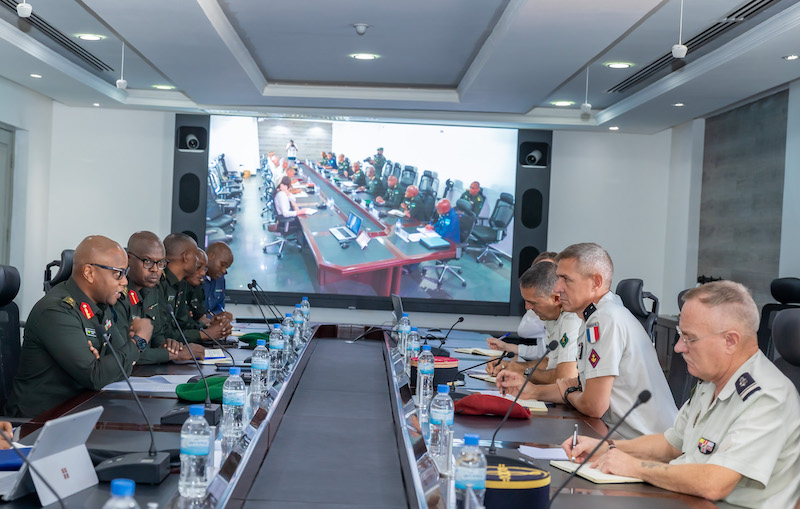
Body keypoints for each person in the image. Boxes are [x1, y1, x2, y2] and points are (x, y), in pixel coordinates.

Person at [564, 281, 800, 508]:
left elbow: (715, 483)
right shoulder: (713, 380)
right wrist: (606, 447)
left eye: (690, 338)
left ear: (730, 341)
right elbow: (672, 444)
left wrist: (634, 467)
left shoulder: (767, 397)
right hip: (685, 499)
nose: (679, 347)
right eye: (680, 335)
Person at [496, 242, 677, 438]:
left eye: (566, 279)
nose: (557, 287)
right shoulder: (592, 317)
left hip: (641, 442)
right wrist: (533, 391)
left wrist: (569, 392)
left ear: (596, 282)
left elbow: (593, 405)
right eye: (558, 278)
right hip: (619, 435)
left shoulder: (606, 319)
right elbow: (582, 386)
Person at [6, 236, 149, 417]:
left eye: (125, 273)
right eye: (118, 273)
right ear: (89, 273)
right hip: (36, 421)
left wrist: (104, 365)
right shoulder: (56, 311)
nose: (125, 282)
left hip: (77, 410)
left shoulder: (101, 305)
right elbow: (96, 377)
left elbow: (124, 368)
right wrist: (138, 341)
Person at [485, 262, 581, 384]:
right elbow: (548, 362)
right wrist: (510, 366)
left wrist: (522, 371)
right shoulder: (550, 315)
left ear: (556, 299)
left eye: (533, 302)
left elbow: (565, 377)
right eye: (525, 301)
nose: (527, 307)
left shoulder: (572, 318)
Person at [115, 231, 203, 364]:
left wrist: (167, 344)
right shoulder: (118, 294)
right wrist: (173, 355)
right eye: (148, 261)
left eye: (161, 263)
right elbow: (124, 353)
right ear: (129, 259)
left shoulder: (152, 290)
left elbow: (157, 335)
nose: (155, 269)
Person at [487, 251, 558, 359]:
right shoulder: (547, 315)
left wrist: (521, 367)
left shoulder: (569, 318)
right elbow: (543, 352)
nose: (527, 307)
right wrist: (507, 347)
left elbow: (552, 361)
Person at [177, 248, 232, 342]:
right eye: (198, 267)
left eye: (204, 269)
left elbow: (201, 314)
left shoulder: (197, 285)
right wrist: (203, 325)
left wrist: (214, 320)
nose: (202, 273)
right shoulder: (181, 286)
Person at [157, 233, 201, 343]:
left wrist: (207, 329)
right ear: (185, 256)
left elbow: (183, 323)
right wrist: (202, 335)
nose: (197, 260)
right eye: (195, 255)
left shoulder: (181, 284)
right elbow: (163, 333)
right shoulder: (158, 283)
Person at [202, 242, 235, 323]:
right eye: (222, 265)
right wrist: (212, 317)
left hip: (212, 325)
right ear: (210, 256)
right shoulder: (194, 278)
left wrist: (221, 316)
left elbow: (220, 307)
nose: (224, 271)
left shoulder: (220, 279)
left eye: (226, 268)